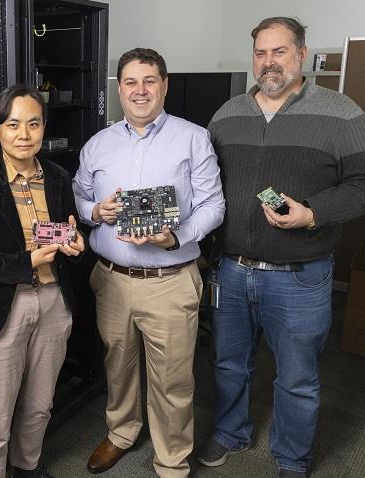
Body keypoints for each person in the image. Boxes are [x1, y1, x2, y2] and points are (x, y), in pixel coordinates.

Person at [198, 17, 365, 478]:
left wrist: (313, 211)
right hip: (232, 269)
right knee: (227, 364)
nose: (268, 63)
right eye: (261, 53)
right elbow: (204, 185)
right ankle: (231, 431)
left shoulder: (342, 113)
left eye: (279, 52)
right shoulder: (227, 114)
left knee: (298, 379)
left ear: (302, 54)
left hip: (301, 275)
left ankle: (291, 459)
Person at [73, 47, 225, 477]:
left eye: (149, 81)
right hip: (112, 280)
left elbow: (213, 205)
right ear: (118, 88)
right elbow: (79, 194)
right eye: (130, 82)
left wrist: (175, 236)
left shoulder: (193, 138)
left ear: (164, 85)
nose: (140, 90)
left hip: (170, 279)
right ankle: (122, 432)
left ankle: (172, 460)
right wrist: (94, 212)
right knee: (117, 366)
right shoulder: (97, 144)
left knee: (173, 380)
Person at [0, 84, 86, 478]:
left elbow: (66, 231)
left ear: (43, 127)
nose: (24, 135)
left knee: (39, 405)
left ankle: (26, 468)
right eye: (13, 124)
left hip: (53, 301)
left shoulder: (58, 177)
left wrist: (75, 243)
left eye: (33, 124)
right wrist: (24, 263)